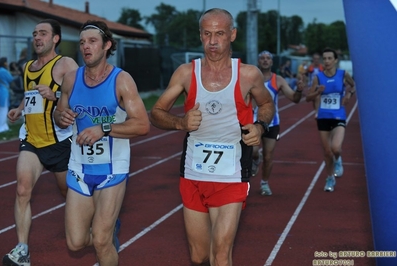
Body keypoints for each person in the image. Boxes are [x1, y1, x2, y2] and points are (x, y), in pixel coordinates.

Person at [149, 8, 274, 266]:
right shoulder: (185, 73)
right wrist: (180, 122)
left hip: (231, 174)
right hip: (194, 173)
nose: (213, 41)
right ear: (200, 35)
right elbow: (156, 113)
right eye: (207, 34)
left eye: (219, 34)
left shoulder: (248, 74)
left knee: (220, 254)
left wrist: (260, 127)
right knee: (199, 256)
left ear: (232, 35)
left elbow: (267, 104)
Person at [53, 20, 150, 266]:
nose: (86, 47)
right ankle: (105, 234)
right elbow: (59, 114)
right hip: (79, 167)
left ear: (107, 45)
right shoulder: (71, 80)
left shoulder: (122, 80)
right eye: (82, 42)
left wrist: (104, 129)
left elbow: (142, 124)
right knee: (75, 242)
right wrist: (60, 117)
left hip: (112, 168)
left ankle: (105, 236)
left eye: (92, 41)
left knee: (100, 241)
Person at [2, 19, 79, 266]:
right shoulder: (27, 67)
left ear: (55, 38)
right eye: (35, 33)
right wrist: (19, 109)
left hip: (59, 142)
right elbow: (31, 97)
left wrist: (55, 95)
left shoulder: (65, 64)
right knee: (22, 190)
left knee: (70, 195)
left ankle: (96, 227)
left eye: (43, 33)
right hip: (32, 140)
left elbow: (81, 95)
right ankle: (22, 249)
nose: (37, 37)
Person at [251, 51, 303, 196]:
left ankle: (264, 183)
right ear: (258, 61)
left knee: (268, 156)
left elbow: (294, 98)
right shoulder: (251, 79)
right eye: (262, 58)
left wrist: (299, 90)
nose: (265, 60)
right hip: (253, 121)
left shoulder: (278, 80)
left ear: (272, 62)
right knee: (253, 151)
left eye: (268, 58)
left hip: (272, 123)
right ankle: (255, 159)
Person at [306, 48, 355, 192]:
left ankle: (338, 159)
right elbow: (308, 97)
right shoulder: (318, 77)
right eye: (324, 58)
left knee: (335, 148)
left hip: (339, 115)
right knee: (327, 152)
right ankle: (329, 178)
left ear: (335, 60)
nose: (326, 61)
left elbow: (353, 85)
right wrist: (317, 92)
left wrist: (348, 95)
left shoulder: (343, 74)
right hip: (323, 117)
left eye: (329, 58)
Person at [0, 57, 14, 133]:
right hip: (4, 91)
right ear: (4, 63)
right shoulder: (4, 71)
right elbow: (11, 79)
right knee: (3, 110)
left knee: (0, 109)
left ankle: (4, 126)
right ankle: (1, 127)